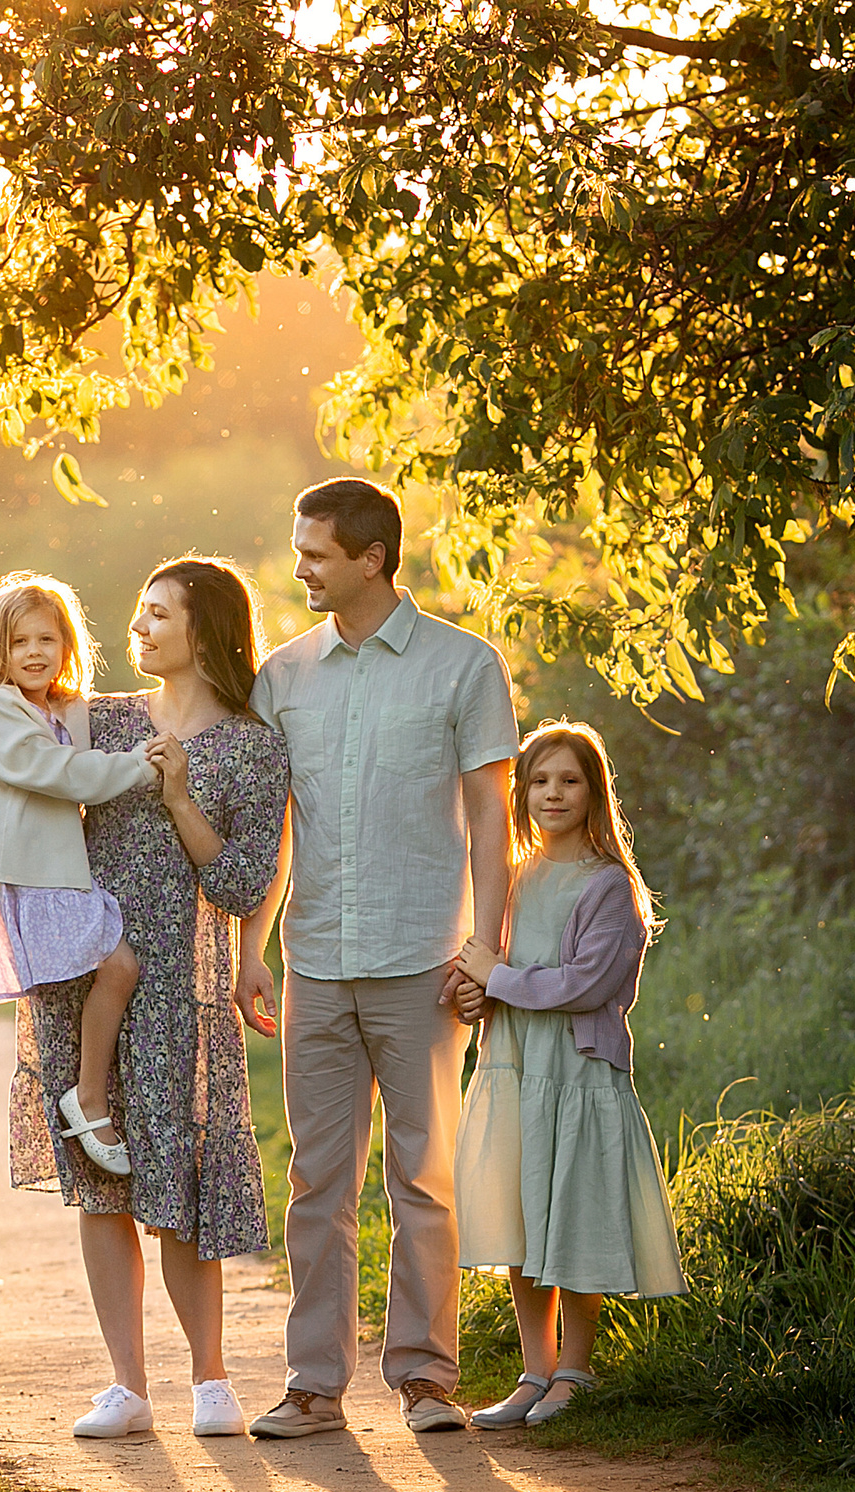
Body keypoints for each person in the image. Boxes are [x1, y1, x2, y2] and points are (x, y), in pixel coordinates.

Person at [242, 477, 520, 1439]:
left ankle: (426, 1380)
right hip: (315, 962)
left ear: (371, 559)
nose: (300, 568)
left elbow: (492, 814)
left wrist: (489, 947)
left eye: (315, 553)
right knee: (318, 1181)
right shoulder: (283, 676)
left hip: (424, 962)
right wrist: (253, 946)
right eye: (298, 549)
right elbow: (275, 829)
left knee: (424, 1176)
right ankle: (314, 1385)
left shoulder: (464, 667)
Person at [9, 557, 289, 1440]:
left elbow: (245, 883)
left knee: (180, 1179)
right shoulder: (99, 720)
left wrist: (175, 794)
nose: (139, 626)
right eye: (138, 609)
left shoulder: (251, 745)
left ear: (202, 630)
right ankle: (127, 1388)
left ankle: (211, 1379)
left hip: (183, 986)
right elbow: (14, 766)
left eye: (158, 612)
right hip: (89, 974)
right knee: (103, 1184)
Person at [453, 721, 687, 1426]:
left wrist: (498, 977)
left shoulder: (609, 884)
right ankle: (534, 1369)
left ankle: (575, 1369)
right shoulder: (514, 875)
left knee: (574, 1214)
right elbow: (492, 963)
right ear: (520, 793)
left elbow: (585, 983)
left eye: (570, 780)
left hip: (577, 1074)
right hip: (517, 1067)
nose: (553, 793)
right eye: (540, 781)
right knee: (525, 1215)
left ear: (595, 792)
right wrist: (476, 987)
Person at [0, 572, 158, 1176]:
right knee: (119, 967)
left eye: (47, 639)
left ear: (66, 645)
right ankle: (87, 1097)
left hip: (61, 870)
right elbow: (57, 772)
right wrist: (141, 767)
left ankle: (89, 1093)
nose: (35, 653)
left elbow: (88, 717)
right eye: (20, 643)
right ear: (0, 650)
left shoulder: (57, 706)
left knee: (114, 972)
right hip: (34, 875)